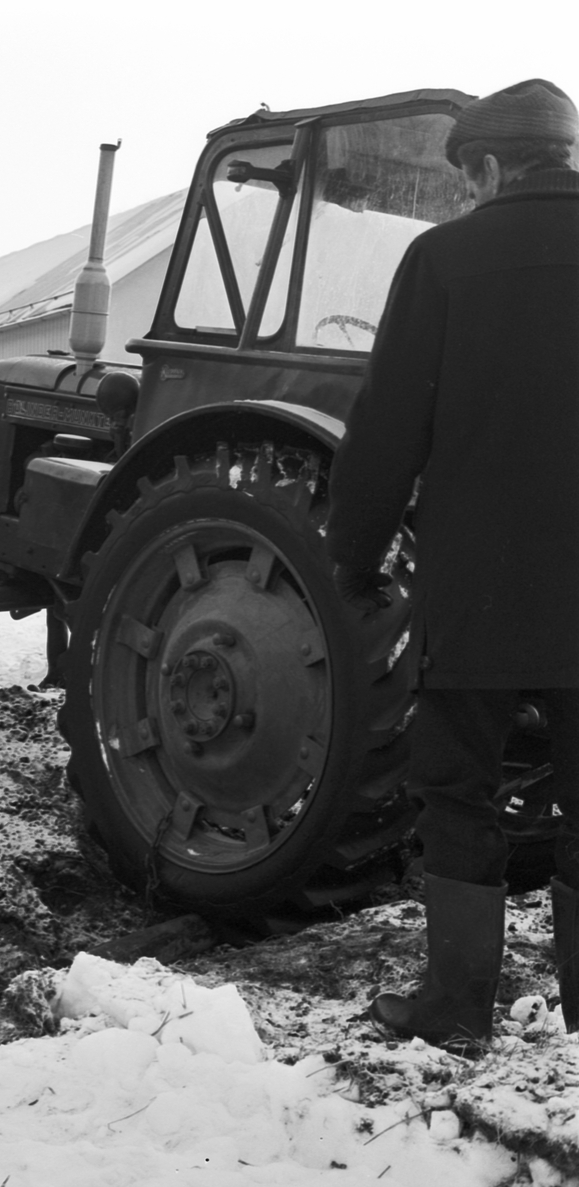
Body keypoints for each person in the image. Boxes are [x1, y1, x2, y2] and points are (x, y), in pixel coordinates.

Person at [325, 79, 579, 1047]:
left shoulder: (445, 259)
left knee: (458, 788)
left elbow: (388, 423)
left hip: (480, 586)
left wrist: (352, 555)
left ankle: (457, 1006)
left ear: (485, 165)